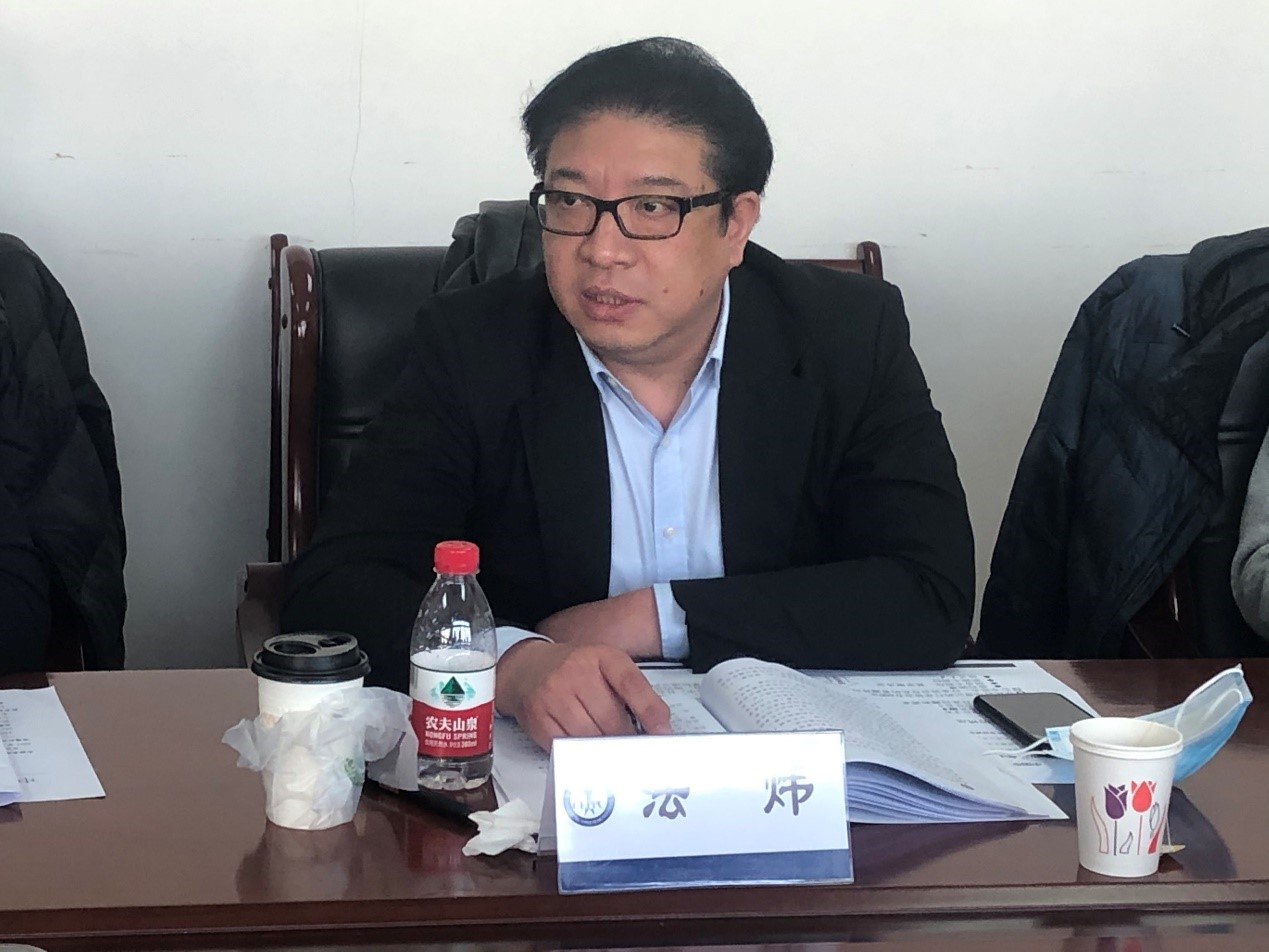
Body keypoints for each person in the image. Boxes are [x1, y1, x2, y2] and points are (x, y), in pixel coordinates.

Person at [282, 37, 974, 750]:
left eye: (650, 206)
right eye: (569, 200)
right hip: (542, 772)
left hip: (792, 767)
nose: (601, 249)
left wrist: (657, 617)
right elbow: (336, 586)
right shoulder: (475, 346)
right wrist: (512, 664)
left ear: (736, 224)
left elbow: (928, 594)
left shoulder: (845, 336)